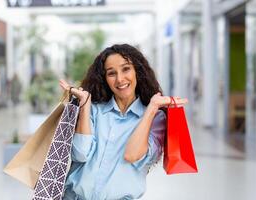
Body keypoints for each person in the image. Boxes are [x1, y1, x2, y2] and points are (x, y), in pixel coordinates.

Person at [59, 44, 187, 200]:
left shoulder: (156, 119)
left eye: (126, 69)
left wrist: (152, 108)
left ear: (137, 72)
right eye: (111, 73)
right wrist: (85, 104)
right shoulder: (94, 109)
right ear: (105, 79)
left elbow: (132, 155)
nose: (120, 79)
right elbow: (80, 154)